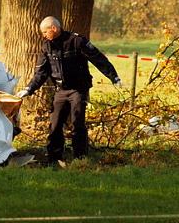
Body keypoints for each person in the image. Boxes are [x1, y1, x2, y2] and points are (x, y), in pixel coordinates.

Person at [17, 16, 121, 165]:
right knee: (55, 123)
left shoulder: (76, 41)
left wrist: (114, 77)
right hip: (61, 90)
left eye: (45, 32)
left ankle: (80, 158)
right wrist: (29, 89)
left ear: (54, 28)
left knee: (77, 122)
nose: (44, 35)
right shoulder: (46, 46)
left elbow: (98, 59)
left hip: (78, 89)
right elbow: (41, 73)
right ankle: (53, 158)